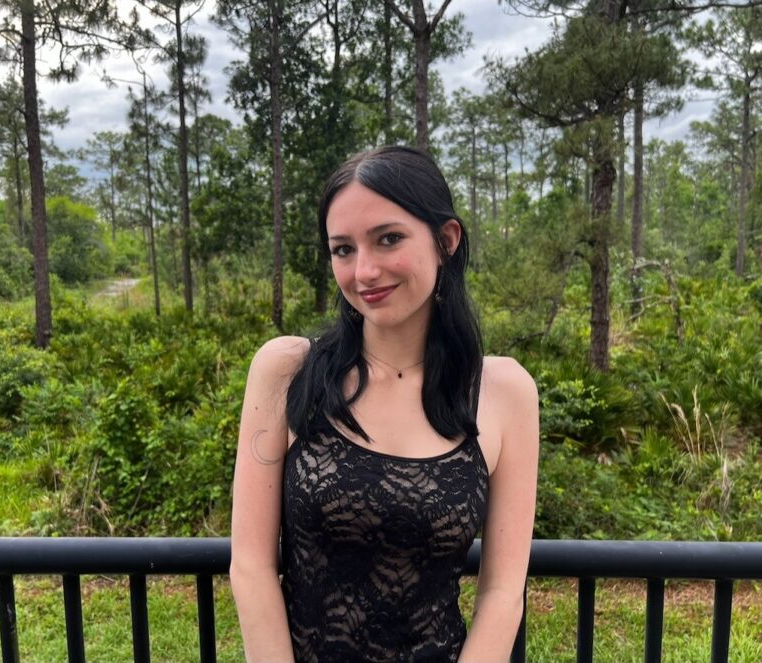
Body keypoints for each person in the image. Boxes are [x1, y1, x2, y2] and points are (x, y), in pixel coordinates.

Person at [230, 145, 539, 662]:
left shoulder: (504, 392)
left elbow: (503, 593)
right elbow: (251, 566)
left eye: (388, 239)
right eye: (343, 249)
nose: (364, 271)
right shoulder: (286, 371)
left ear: (445, 241)